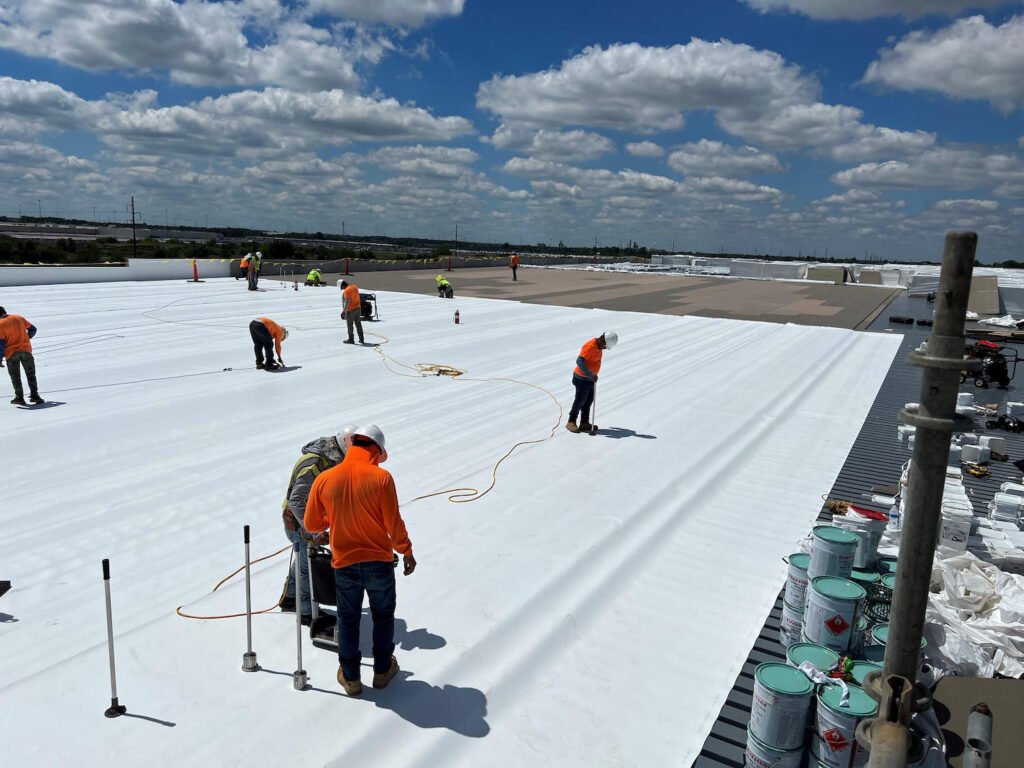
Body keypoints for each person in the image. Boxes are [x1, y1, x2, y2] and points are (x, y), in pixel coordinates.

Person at [304, 425, 416, 696]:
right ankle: (381, 672)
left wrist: (335, 517)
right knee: (383, 616)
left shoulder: (326, 479)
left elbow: (311, 523)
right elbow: (393, 523)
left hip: (345, 564)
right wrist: (407, 551)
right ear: (375, 451)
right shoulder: (382, 478)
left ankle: (351, 678)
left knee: (349, 618)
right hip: (379, 562)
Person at [280, 426, 356, 624]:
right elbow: (297, 502)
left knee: (301, 558)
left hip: (304, 521)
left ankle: (290, 598)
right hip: (298, 522)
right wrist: (313, 532)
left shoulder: (326, 459)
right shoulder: (314, 464)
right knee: (307, 567)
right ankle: (305, 613)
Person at [566, 331, 617, 434]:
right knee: (580, 400)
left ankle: (584, 423)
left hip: (590, 379)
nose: (604, 348)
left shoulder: (599, 346)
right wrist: (590, 374)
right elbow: (579, 361)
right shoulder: (590, 346)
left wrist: (591, 376)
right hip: (581, 378)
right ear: (602, 340)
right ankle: (571, 421)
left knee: (588, 400)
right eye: (605, 346)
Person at [0, 307, 42, 406]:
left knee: (15, 376)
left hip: (11, 353)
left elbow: (1, 344)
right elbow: (33, 329)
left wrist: (0, 358)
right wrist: (26, 338)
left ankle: (19, 397)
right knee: (31, 374)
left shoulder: (0, 324)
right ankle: (35, 396)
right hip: (26, 350)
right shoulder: (19, 318)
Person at [339, 280, 364, 345]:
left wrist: (344, 311)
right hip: (358, 308)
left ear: (343, 285)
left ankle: (351, 339)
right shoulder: (354, 286)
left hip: (351, 310)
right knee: (358, 324)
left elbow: (347, 301)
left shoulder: (346, 290)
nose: (342, 289)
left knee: (350, 325)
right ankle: (361, 339)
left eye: (342, 287)